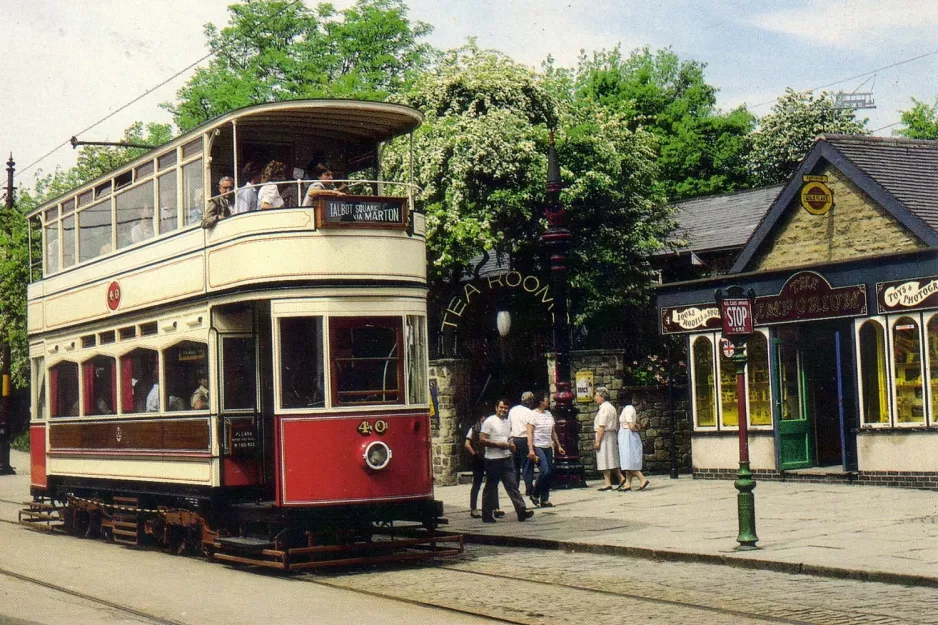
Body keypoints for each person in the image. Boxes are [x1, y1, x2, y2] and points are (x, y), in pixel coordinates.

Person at [480, 398, 533, 524]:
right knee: (491, 487)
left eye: (505, 408)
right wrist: (498, 444)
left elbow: (509, 438)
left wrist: (511, 444)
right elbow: (482, 439)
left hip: (506, 458)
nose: (503, 410)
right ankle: (486, 515)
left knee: (513, 486)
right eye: (501, 407)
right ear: (496, 407)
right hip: (493, 460)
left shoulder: (507, 423)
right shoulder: (489, 421)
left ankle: (521, 511)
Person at [526, 390, 565, 507]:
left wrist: (558, 445)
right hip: (538, 446)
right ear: (541, 401)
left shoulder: (548, 414)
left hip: (548, 446)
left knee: (549, 473)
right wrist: (531, 450)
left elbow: (553, 432)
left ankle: (544, 499)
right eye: (546, 398)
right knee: (545, 471)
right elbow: (530, 433)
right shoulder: (532, 414)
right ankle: (535, 493)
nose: (548, 400)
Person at [464, 413, 500, 519]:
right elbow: (467, 444)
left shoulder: (491, 428)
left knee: (493, 483)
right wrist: (474, 454)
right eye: (484, 418)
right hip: (478, 460)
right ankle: (473, 508)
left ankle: (495, 508)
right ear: (481, 418)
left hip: (490, 458)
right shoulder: (474, 429)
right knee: (477, 484)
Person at [593, 386, 626, 491]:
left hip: (605, 435)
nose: (595, 398)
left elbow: (601, 425)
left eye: (597, 395)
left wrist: (598, 440)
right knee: (611, 458)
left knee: (604, 458)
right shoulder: (611, 407)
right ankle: (621, 478)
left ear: (602, 397)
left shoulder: (604, 408)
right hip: (611, 434)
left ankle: (608, 483)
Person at [618, 397, 650, 491]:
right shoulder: (631, 409)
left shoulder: (627, 409)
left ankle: (642, 479)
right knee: (628, 460)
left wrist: (635, 429)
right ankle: (627, 484)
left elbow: (630, 425)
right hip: (628, 435)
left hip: (627, 435)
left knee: (628, 460)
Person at [508, 391, 536, 496]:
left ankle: (515, 489)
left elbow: (509, 425)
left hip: (514, 438)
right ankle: (529, 488)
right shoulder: (529, 412)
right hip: (524, 439)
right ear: (531, 402)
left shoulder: (512, 410)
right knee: (527, 465)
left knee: (515, 466)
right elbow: (530, 430)